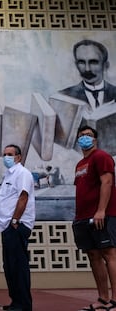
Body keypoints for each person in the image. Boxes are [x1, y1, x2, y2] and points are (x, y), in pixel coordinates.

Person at [72, 125, 116, 311]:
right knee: (93, 256)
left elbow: (107, 181)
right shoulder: (80, 164)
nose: (85, 138)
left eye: (88, 135)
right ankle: (103, 298)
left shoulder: (101, 157)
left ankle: (115, 299)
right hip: (83, 217)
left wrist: (101, 210)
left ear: (95, 139)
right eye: (81, 136)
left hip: (101, 215)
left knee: (109, 254)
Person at [0, 144, 35, 311]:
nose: (6, 157)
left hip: (16, 225)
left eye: (10, 154)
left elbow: (23, 197)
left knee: (18, 266)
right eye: (4, 154)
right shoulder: (9, 175)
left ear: (19, 157)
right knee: (10, 266)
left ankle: (23, 304)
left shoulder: (22, 173)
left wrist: (15, 220)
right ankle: (16, 302)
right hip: (7, 226)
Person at [59, 39, 116, 110]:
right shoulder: (63, 97)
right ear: (76, 65)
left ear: (105, 66)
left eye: (93, 62)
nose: (87, 69)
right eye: (81, 62)